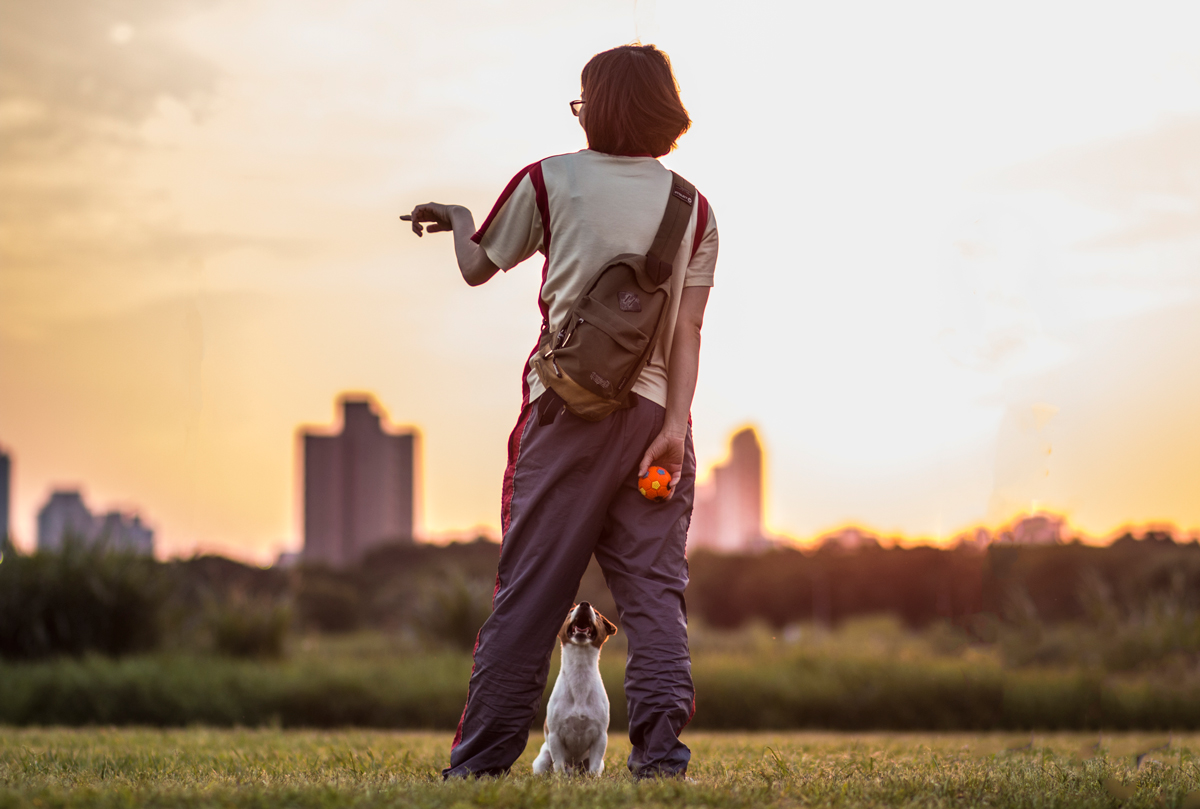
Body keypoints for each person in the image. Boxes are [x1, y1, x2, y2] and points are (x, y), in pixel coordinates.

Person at [403, 43, 718, 779]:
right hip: (657, 428)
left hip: (566, 416)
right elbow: (688, 332)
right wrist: (672, 431)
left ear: (598, 107)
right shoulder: (694, 207)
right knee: (654, 601)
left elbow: (479, 265)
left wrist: (456, 216)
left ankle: (478, 766)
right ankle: (662, 762)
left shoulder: (551, 180)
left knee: (530, 596)